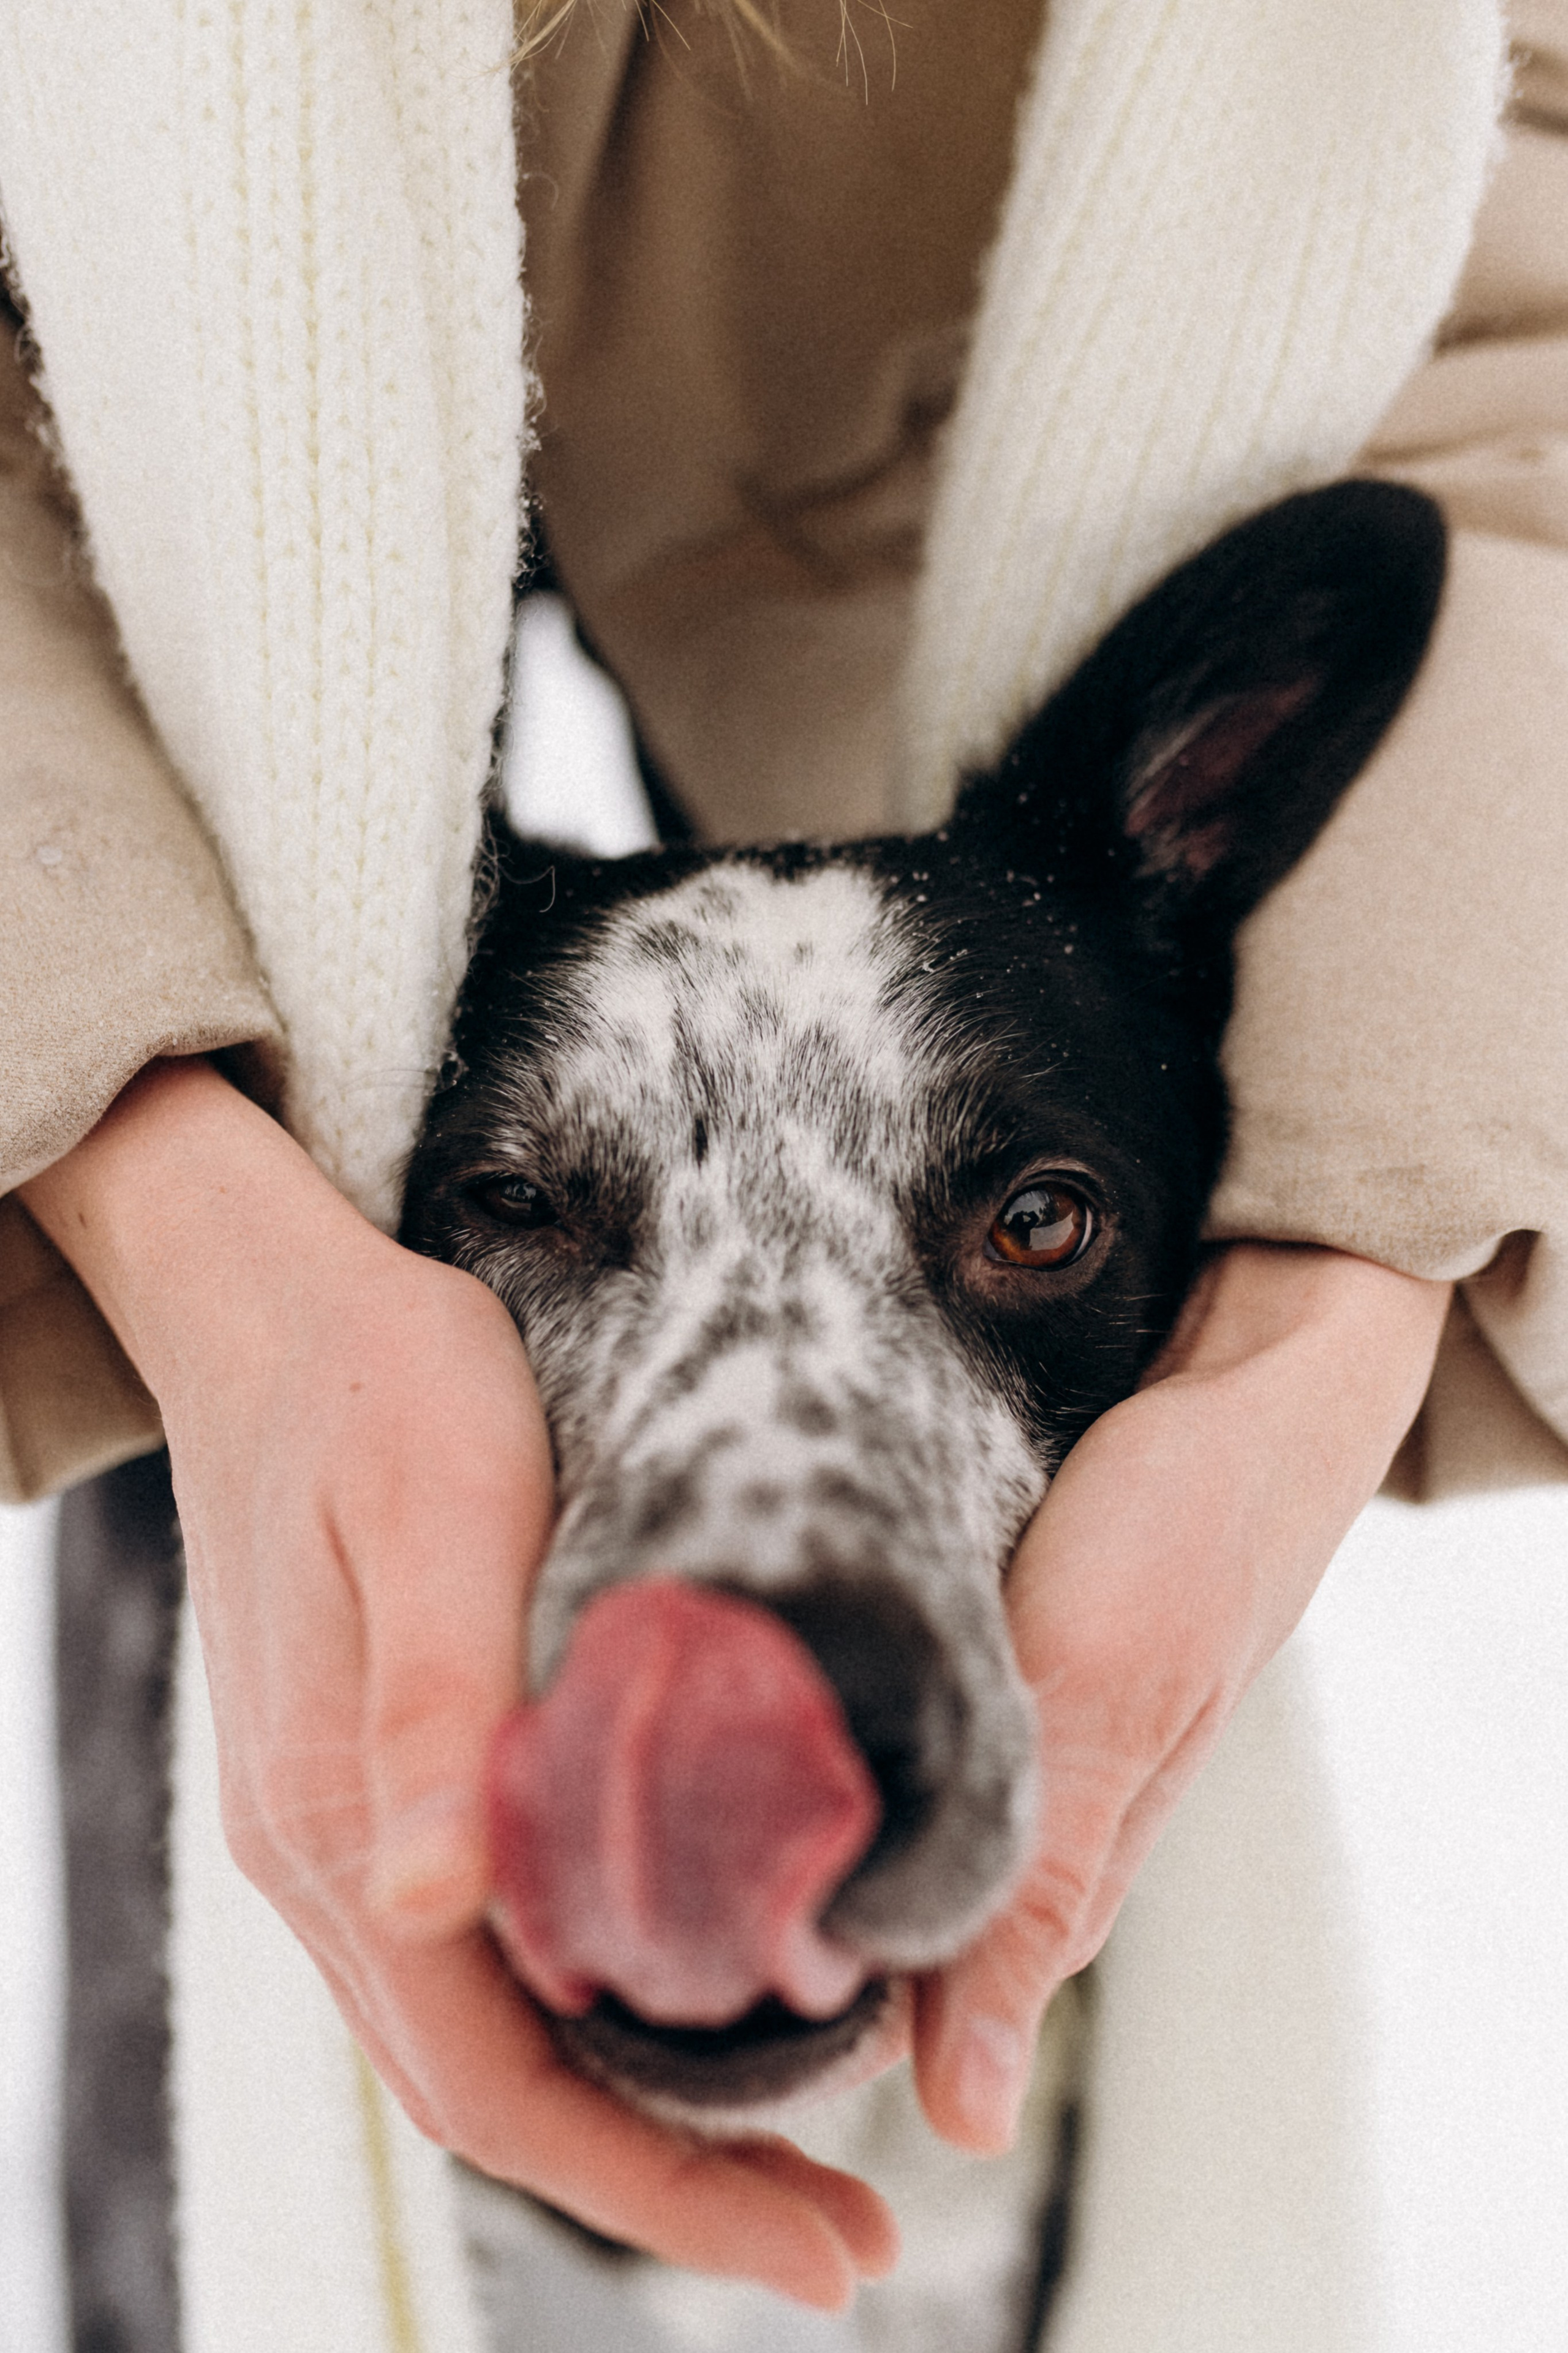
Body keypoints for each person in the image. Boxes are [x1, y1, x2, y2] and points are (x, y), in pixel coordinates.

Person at [2, 0, 1566, 2320]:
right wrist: (172, 1187)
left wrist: (1317, 1324)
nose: (779, 1515)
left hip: (948, 412)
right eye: (532, 1203)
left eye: (1028, 1221)